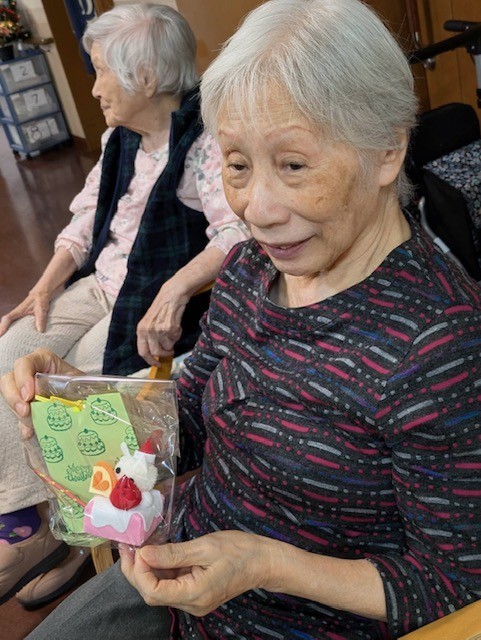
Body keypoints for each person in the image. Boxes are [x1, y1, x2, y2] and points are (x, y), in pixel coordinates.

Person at [2, 0, 481, 637]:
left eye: (293, 165)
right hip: (184, 560)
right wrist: (79, 401)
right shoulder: (253, 268)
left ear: (388, 150)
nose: (256, 209)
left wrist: (265, 566)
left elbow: (453, 580)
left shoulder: (439, 345)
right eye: (236, 165)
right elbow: (192, 414)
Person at [0, 3, 248, 608]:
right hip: (100, 285)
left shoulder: (203, 145)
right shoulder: (119, 140)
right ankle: (28, 519)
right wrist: (45, 285)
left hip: (144, 300)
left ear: (145, 78)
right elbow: (86, 221)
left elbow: (234, 233)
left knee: (71, 393)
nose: (94, 87)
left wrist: (175, 288)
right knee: (10, 354)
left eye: (102, 71)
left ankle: (64, 533)